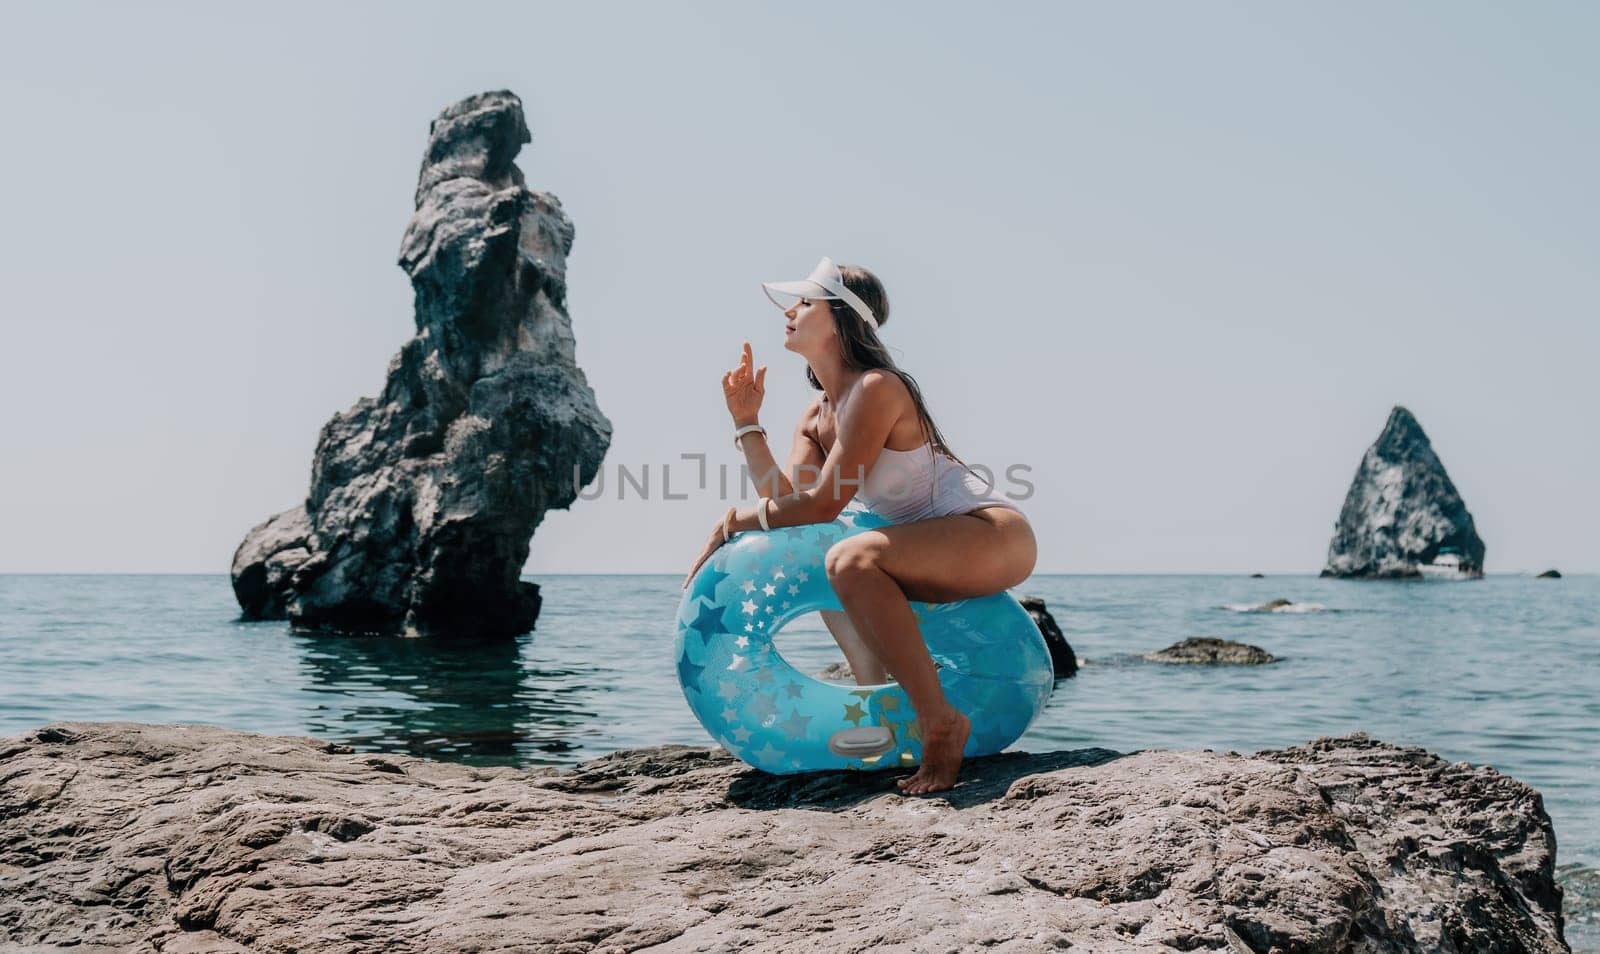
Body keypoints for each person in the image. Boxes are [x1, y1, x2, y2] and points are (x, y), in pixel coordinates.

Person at [681, 256, 1037, 795]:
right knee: (821, 553)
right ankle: (881, 702)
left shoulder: (877, 387)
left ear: (843, 318)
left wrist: (735, 520)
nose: (790, 311)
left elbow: (821, 504)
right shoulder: (817, 412)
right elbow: (792, 509)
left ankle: (939, 722)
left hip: (990, 534)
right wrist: (747, 423)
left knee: (848, 557)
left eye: (805, 302)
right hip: (928, 548)